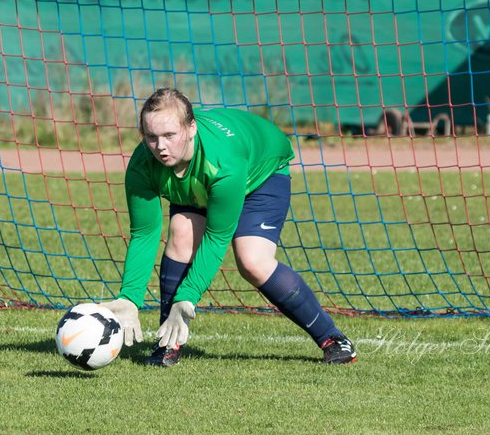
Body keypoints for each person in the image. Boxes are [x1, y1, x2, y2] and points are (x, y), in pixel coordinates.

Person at [99, 88, 357, 367]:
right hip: (199, 181)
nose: (160, 146)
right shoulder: (142, 165)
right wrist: (130, 297)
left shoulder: (224, 162)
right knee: (181, 232)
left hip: (259, 172)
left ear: (191, 128)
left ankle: (332, 338)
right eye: (151, 137)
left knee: (252, 262)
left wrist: (187, 297)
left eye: (169, 135)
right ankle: (167, 343)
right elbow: (145, 233)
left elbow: (217, 236)